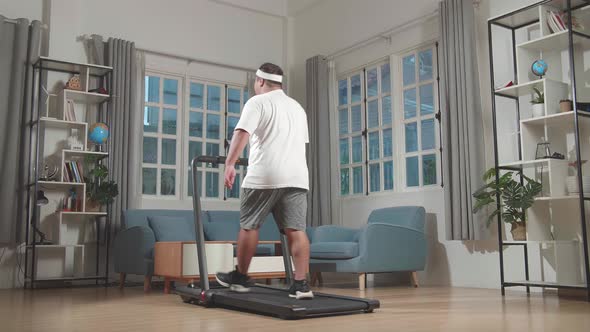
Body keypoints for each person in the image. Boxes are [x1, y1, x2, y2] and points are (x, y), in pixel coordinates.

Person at [215, 63, 313, 300]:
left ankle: (240, 277)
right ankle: (301, 284)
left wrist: (230, 164)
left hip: (264, 175)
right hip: (297, 176)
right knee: (296, 229)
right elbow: (300, 143)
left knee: (250, 225)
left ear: (260, 81)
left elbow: (242, 133)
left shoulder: (257, 102)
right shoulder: (297, 108)